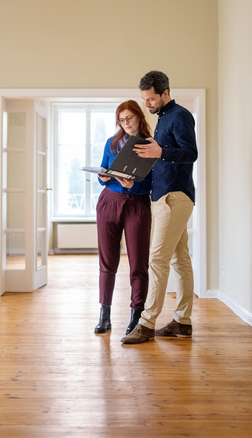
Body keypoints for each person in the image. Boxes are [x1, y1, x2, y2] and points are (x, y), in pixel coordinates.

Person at [121, 70, 198, 344]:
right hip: (163, 197)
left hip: (174, 198)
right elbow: (160, 163)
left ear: (165, 92)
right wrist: (133, 178)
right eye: (145, 100)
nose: (148, 105)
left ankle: (146, 323)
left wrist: (161, 151)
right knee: (180, 260)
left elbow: (191, 153)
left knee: (157, 260)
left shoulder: (180, 116)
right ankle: (182, 322)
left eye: (151, 99)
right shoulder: (163, 120)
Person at [93, 100, 153, 335]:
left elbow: (153, 182)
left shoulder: (150, 145)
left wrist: (135, 183)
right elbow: (102, 170)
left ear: (139, 117)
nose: (125, 123)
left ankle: (136, 315)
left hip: (137, 204)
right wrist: (104, 178)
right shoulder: (112, 142)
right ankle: (104, 315)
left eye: (129, 118)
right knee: (107, 262)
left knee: (138, 263)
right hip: (109, 202)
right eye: (121, 119)